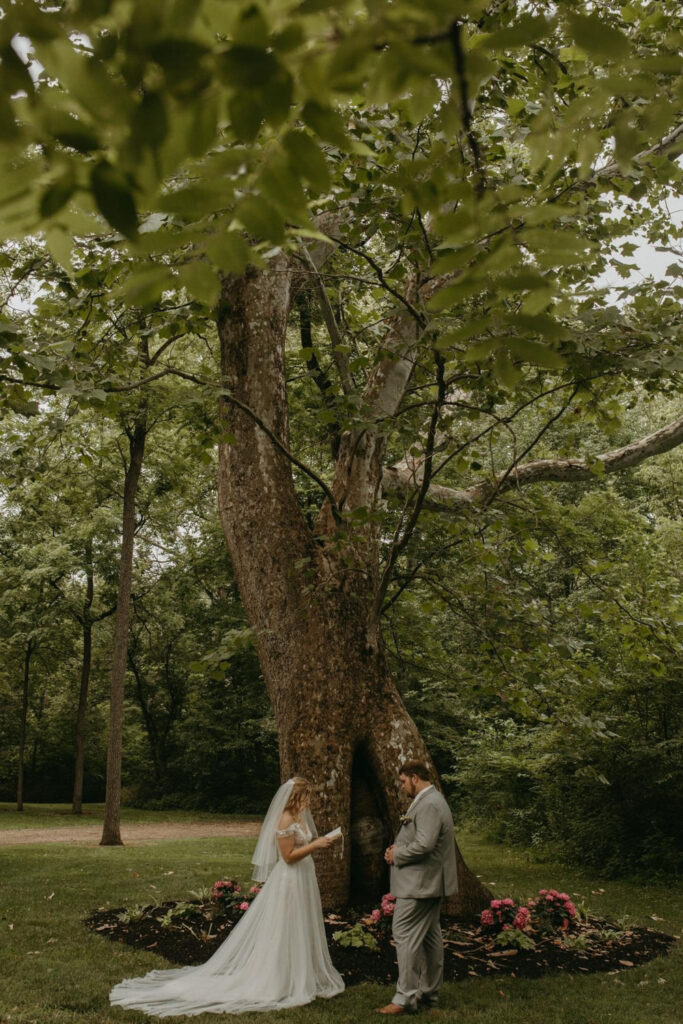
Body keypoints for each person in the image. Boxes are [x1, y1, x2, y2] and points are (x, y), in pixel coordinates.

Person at [110, 777, 344, 1017]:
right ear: (296, 797)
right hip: (290, 879)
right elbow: (288, 856)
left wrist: (319, 841)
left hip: (303, 878)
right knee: (285, 927)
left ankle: (301, 973)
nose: (308, 801)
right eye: (306, 797)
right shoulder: (285, 818)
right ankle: (281, 977)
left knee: (300, 925)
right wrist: (316, 846)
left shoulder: (299, 817)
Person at [376, 760, 458, 1016]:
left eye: (403, 781)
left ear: (414, 777)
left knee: (404, 934)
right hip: (429, 882)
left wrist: (397, 854)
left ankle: (405, 998)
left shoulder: (430, 803)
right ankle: (428, 993)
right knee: (430, 938)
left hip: (421, 884)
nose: (402, 787)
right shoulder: (430, 800)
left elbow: (425, 844)